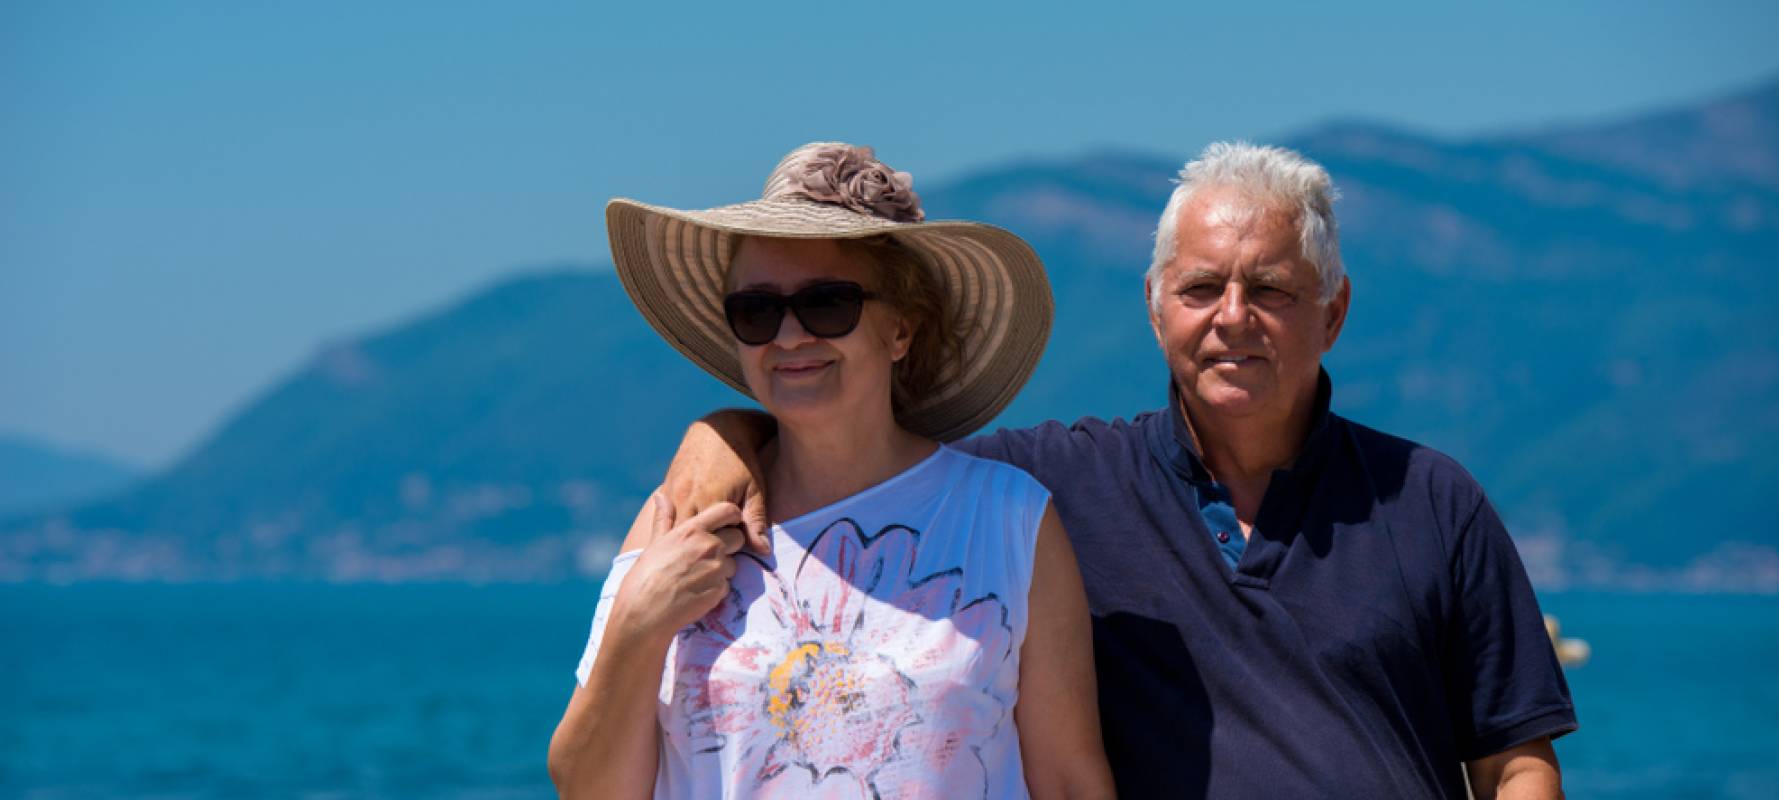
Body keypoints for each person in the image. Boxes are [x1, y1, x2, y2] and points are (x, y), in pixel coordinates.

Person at [655, 142, 1578, 798]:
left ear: (1332, 315)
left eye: (1270, 290)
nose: (1231, 316)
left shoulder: (1432, 498)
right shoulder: (1044, 489)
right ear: (1153, 307)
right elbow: (860, 446)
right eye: (1200, 287)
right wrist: (728, 431)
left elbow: (1515, 760)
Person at [547, 142, 1115, 799]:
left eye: (826, 305)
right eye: (757, 312)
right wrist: (638, 630)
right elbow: (586, 788)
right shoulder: (678, 518)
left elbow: (1070, 780)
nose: (789, 336)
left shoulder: (1011, 520)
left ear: (901, 328)